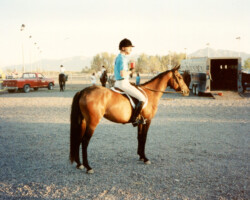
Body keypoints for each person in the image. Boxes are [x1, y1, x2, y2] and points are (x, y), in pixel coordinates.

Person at [114, 38, 146, 127]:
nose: (131, 49)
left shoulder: (119, 57)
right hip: (123, 83)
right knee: (142, 98)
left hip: (118, 82)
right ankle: (135, 119)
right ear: (123, 48)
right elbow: (123, 73)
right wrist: (131, 71)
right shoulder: (123, 59)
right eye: (129, 47)